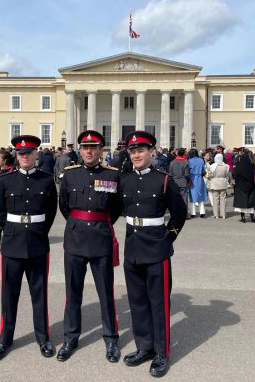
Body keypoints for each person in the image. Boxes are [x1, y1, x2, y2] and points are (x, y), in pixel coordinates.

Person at [120, 131, 187, 378]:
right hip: (133, 249)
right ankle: (144, 347)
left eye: (141, 150)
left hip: (157, 250)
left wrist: (168, 238)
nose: (136, 155)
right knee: (137, 303)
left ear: (151, 152)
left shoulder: (164, 180)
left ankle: (161, 352)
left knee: (158, 304)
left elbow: (179, 213)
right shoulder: (124, 180)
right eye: (133, 151)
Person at [0, 135, 57, 361]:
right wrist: (12, 231)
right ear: (16, 156)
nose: (25, 156)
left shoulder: (47, 180)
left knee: (39, 294)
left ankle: (43, 337)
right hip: (12, 244)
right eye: (21, 153)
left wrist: (37, 231)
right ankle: (5, 339)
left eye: (29, 152)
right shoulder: (6, 180)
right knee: (9, 294)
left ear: (37, 154)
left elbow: (50, 212)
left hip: (37, 243)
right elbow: (0, 212)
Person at [58, 130, 122, 363]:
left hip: (101, 238)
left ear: (101, 150)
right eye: (85, 147)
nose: (88, 151)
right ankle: (70, 337)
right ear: (80, 150)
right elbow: (64, 206)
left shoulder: (113, 176)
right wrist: (80, 223)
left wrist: (96, 223)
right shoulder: (70, 175)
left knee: (105, 292)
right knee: (73, 292)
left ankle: (111, 338)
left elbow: (115, 209)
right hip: (75, 239)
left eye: (94, 147)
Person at [233, 152, 255, 222]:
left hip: (240, 186)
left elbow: (235, 175)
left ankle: (243, 217)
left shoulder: (238, 167)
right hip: (250, 185)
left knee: (241, 202)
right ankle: (252, 216)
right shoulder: (251, 166)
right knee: (250, 202)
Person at [169, 148, 190, 215]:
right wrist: (188, 181)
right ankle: (184, 214)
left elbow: (170, 174)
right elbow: (186, 174)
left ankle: (175, 213)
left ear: (177, 153)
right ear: (184, 154)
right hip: (183, 181)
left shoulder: (172, 163)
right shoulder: (185, 163)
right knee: (184, 199)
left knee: (175, 199)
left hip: (174, 182)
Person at [210, 154, 230, 219]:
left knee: (215, 199)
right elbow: (227, 174)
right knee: (223, 198)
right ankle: (223, 214)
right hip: (223, 183)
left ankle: (216, 214)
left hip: (215, 182)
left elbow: (210, 175)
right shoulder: (226, 166)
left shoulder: (213, 166)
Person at [188, 148, 207, 218]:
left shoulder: (189, 161)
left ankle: (193, 213)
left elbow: (188, 171)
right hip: (199, 178)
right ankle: (202, 212)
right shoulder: (201, 160)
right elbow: (203, 170)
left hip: (192, 178)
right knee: (200, 194)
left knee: (192, 195)